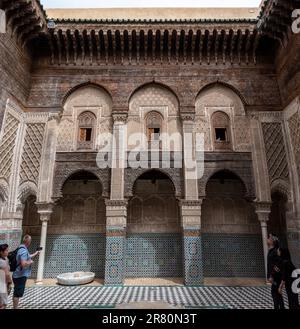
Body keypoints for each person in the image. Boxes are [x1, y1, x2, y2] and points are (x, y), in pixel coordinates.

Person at [12, 235, 40, 309]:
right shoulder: (24, 250)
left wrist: (35, 253)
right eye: (30, 241)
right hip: (20, 275)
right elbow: (23, 264)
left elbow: (26, 256)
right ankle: (15, 307)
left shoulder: (21, 248)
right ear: (28, 242)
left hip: (17, 274)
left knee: (16, 292)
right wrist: (30, 262)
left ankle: (15, 306)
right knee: (17, 294)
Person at [267, 233, 285, 309]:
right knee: (277, 294)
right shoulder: (271, 251)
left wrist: (272, 275)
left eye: (269, 238)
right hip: (274, 277)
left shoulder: (275, 251)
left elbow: (278, 264)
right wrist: (269, 275)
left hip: (276, 277)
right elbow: (270, 265)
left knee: (275, 294)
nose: (267, 239)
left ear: (272, 241)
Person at [0, 244, 12, 309]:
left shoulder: (5, 259)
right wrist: (10, 282)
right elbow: (7, 274)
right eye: (6, 250)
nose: (8, 251)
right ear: (1, 252)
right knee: (3, 304)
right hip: (2, 284)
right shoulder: (2, 262)